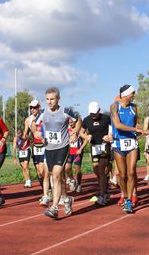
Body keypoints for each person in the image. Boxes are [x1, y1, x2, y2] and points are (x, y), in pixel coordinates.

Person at [32, 87, 79, 219]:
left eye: (52, 99)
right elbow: (34, 124)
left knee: (57, 175)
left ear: (58, 99)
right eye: (47, 99)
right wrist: (35, 131)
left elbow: (78, 120)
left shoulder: (66, 112)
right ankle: (66, 198)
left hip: (62, 147)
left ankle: (54, 207)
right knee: (58, 178)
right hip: (49, 148)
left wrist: (75, 132)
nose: (49, 102)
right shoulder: (42, 113)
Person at [110, 84, 143, 213]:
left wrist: (141, 131)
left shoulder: (134, 107)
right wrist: (135, 129)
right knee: (121, 175)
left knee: (131, 172)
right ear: (126, 94)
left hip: (132, 143)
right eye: (132, 93)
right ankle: (124, 195)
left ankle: (129, 200)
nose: (134, 95)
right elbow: (117, 125)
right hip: (118, 144)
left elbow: (136, 124)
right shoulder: (114, 106)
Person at [81, 101, 113, 206]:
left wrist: (110, 136)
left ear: (99, 111)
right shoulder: (86, 120)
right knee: (96, 170)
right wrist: (86, 137)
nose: (93, 115)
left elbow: (114, 128)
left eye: (95, 113)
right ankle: (105, 189)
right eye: (91, 113)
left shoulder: (106, 118)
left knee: (101, 168)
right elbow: (81, 131)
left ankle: (103, 194)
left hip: (104, 146)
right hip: (94, 147)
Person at [24, 100, 50, 204]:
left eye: (34, 107)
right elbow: (26, 133)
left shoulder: (45, 116)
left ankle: (49, 192)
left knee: (45, 171)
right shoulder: (28, 120)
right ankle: (46, 191)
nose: (32, 110)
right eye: (31, 108)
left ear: (39, 107)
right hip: (36, 147)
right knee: (39, 172)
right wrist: (23, 138)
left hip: (45, 146)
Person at [66, 117, 88, 193]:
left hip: (77, 152)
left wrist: (81, 148)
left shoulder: (79, 130)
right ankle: (72, 180)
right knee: (67, 168)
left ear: (76, 121)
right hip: (69, 152)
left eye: (72, 120)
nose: (70, 121)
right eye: (69, 120)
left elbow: (86, 139)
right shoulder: (67, 129)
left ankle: (79, 184)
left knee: (77, 169)